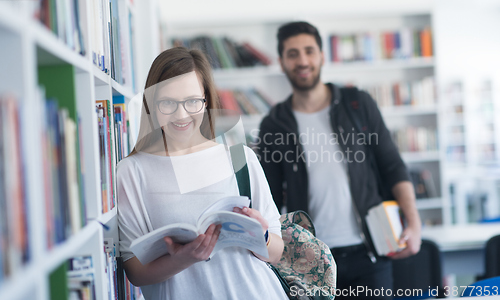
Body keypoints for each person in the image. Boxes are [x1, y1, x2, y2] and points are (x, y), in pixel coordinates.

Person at [256, 21, 422, 299]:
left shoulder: (357, 104)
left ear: (322, 55)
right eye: (293, 54)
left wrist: (414, 224)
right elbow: (268, 197)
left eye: (309, 51)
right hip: (310, 262)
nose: (303, 60)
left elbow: (392, 166)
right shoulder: (274, 124)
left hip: (370, 254)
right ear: (282, 62)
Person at [117, 47, 288, 300]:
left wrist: (261, 235)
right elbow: (135, 272)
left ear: (206, 100)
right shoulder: (132, 171)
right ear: (151, 103)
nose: (181, 114)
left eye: (192, 101)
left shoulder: (240, 158)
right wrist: (182, 259)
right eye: (167, 103)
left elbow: (277, 251)